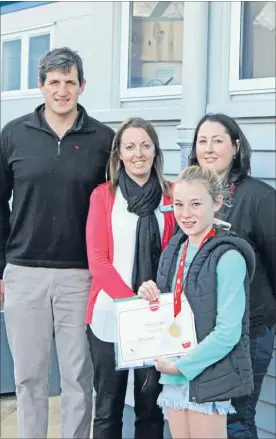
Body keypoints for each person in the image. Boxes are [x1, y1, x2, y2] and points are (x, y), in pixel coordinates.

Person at [0, 47, 114, 439]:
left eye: (70, 82)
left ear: (82, 86)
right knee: (29, 377)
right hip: (23, 273)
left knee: (78, 378)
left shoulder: (103, 139)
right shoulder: (14, 134)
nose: (62, 90)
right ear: (41, 86)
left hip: (80, 276)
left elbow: (116, 206)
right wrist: (1, 269)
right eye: (54, 82)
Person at [138, 165, 255, 439]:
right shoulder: (173, 250)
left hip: (208, 376)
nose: (185, 214)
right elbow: (170, 307)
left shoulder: (228, 257)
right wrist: (149, 292)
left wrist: (182, 365)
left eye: (195, 204)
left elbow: (228, 332)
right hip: (174, 376)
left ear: (216, 203)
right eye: (178, 204)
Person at [85, 117, 176, 439]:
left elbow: (175, 257)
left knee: (150, 408)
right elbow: (98, 261)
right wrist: (132, 304)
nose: (139, 153)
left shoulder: (171, 196)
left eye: (145, 145)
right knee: (108, 410)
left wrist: (150, 307)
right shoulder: (103, 196)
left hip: (156, 320)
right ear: (119, 154)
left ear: (155, 151)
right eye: (130, 146)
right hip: (110, 316)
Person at [188, 113, 276, 439]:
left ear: (235, 147)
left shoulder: (259, 198)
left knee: (235, 420)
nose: (209, 149)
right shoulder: (191, 200)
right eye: (202, 141)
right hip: (204, 334)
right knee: (209, 417)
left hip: (249, 330)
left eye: (218, 140)